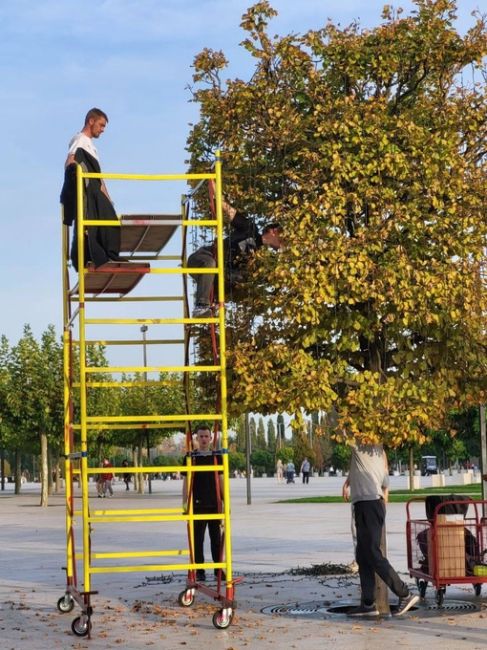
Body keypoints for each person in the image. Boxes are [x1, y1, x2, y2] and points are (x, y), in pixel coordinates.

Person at [343, 443, 419, 616]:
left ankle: (404, 593)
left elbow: (341, 429)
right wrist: (349, 481)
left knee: (372, 553)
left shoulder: (359, 446)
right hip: (370, 503)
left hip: (368, 504)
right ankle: (368, 603)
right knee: (363, 555)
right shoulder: (379, 451)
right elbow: (383, 478)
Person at [187, 182, 282, 317]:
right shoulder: (250, 228)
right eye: (283, 238)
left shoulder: (256, 257)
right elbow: (226, 208)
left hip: (213, 275)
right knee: (211, 264)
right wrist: (214, 188)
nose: (283, 244)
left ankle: (212, 303)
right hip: (202, 258)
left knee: (237, 276)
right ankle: (201, 306)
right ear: (273, 231)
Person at [60, 107, 121, 270]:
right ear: (91, 121)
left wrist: (109, 200)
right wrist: (73, 177)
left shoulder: (91, 145)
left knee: (109, 218)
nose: (102, 130)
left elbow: (98, 177)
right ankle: (92, 256)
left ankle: (104, 254)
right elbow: (71, 160)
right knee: (92, 225)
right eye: (101, 125)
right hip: (88, 192)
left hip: (95, 189)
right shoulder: (80, 139)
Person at [182, 426, 224, 582]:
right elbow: (186, 482)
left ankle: (218, 569)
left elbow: (221, 480)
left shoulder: (217, 456)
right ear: (196, 438)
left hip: (214, 504)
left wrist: (225, 501)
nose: (204, 439)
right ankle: (199, 570)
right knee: (198, 539)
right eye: (201, 436)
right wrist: (185, 504)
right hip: (197, 505)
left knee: (216, 540)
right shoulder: (190, 457)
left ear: (211, 438)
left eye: (207, 436)